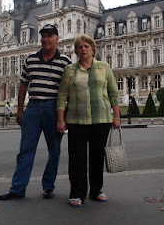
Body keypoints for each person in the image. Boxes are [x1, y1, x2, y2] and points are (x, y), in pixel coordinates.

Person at [0, 24, 71, 200]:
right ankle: (17, 188)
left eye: (50, 35)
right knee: (25, 150)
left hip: (53, 108)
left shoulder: (65, 62)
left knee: (54, 150)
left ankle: (48, 186)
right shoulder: (30, 59)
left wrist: (64, 116)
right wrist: (20, 110)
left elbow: (69, 90)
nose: (46, 39)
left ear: (57, 39)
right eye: (43, 35)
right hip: (33, 107)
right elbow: (23, 85)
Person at [57, 33, 120, 207]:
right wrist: (61, 120)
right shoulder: (70, 70)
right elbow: (62, 96)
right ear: (76, 51)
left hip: (101, 119)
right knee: (77, 158)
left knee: (97, 157)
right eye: (79, 47)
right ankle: (77, 193)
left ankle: (96, 190)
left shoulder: (104, 67)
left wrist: (116, 116)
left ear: (93, 48)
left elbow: (113, 94)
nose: (83, 49)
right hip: (76, 121)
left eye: (86, 46)